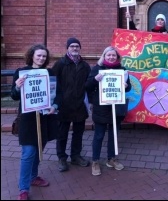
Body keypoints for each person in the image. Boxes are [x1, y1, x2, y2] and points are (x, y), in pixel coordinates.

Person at [11, 44, 61, 200]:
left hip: (45, 118)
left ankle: (33, 177)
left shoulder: (49, 72)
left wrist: (55, 105)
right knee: (28, 153)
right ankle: (23, 189)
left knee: (39, 149)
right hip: (28, 119)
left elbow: (57, 94)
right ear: (32, 55)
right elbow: (14, 96)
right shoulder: (21, 73)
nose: (41, 58)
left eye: (44, 56)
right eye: (39, 55)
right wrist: (18, 87)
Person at [85, 46, 131, 176]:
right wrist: (95, 79)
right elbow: (87, 85)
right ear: (104, 56)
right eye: (108, 55)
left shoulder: (122, 70)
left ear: (117, 57)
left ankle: (111, 159)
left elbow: (128, 88)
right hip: (101, 108)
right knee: (99, 135)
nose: (111, 57)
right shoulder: (97, 69)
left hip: (116, 108)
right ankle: (95, 161)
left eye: (113, 55)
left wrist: (126, 86)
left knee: (113, 135)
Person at [52, 37, 91, 172]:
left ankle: (76, 156)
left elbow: (89, 84)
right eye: (72, 46)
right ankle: (62, 157)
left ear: (80, 48)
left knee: (78, 133)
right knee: (62, 134)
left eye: (77, 46)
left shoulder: (85, 66)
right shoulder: (60, 64)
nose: (75, 48)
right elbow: (52, 83)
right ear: (67, 48)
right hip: (63, 106)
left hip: (80, 105)